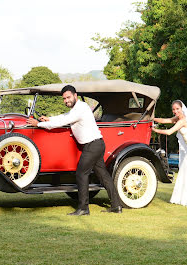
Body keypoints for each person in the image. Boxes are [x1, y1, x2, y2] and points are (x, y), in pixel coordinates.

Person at [26, 85, 122, 216]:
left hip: (92, 145)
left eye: (68, 97)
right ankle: (116, 206)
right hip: (96, 144)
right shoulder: (76, 109)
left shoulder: (81, 108)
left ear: (75, 95)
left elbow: (64, 120)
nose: (66, 100)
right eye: (64, 98)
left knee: (81, 174)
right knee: (103, 175)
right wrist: (49, 119)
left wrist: (38, 124)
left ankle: (83, 208)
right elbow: (64, 116)